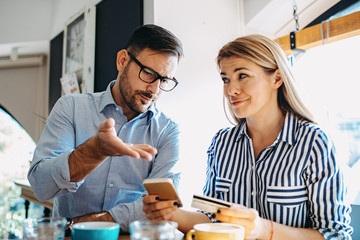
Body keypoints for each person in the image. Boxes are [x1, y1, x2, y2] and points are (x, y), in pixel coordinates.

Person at [142, 34, 353, 239]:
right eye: (226, 79)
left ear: (277, 78)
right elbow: (215, 222)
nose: (231, 90)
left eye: (242, 76)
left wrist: (263, 229)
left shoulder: (314, 143)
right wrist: (172, 215)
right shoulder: (221, 144)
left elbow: (336, 235)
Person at [28, 24, 183, 232]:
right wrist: (92, 153)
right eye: (148, 73)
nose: (154, 89)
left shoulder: (168, 131)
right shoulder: (71, 108)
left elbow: (163, 205)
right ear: (122, 61)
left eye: (164, 80)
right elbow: (41, 187)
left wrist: (97, 222)